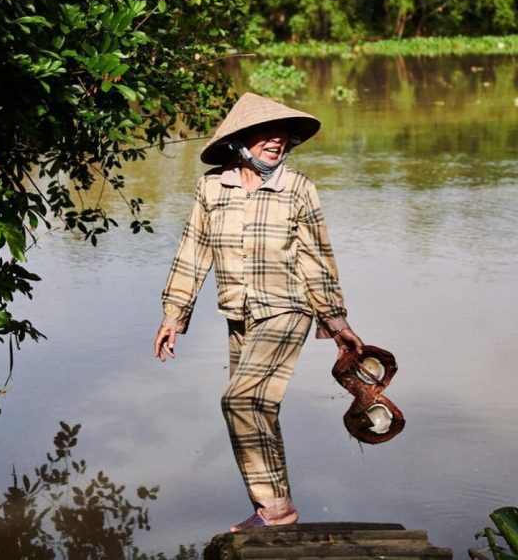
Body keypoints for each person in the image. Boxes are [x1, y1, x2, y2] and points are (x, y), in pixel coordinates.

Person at [154, 92, 363, 532]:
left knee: (240, 399)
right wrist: (174, 314)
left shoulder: (298, 189)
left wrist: (336, 320)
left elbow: (316, 259)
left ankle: (276, 509)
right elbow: (193, 251)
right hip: (238, 313)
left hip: (288, 310)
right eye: (265, 133)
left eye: (282, 134)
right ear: (241, 141)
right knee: (259, 409)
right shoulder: (213, 187)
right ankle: (275, 508)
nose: (277, 141)